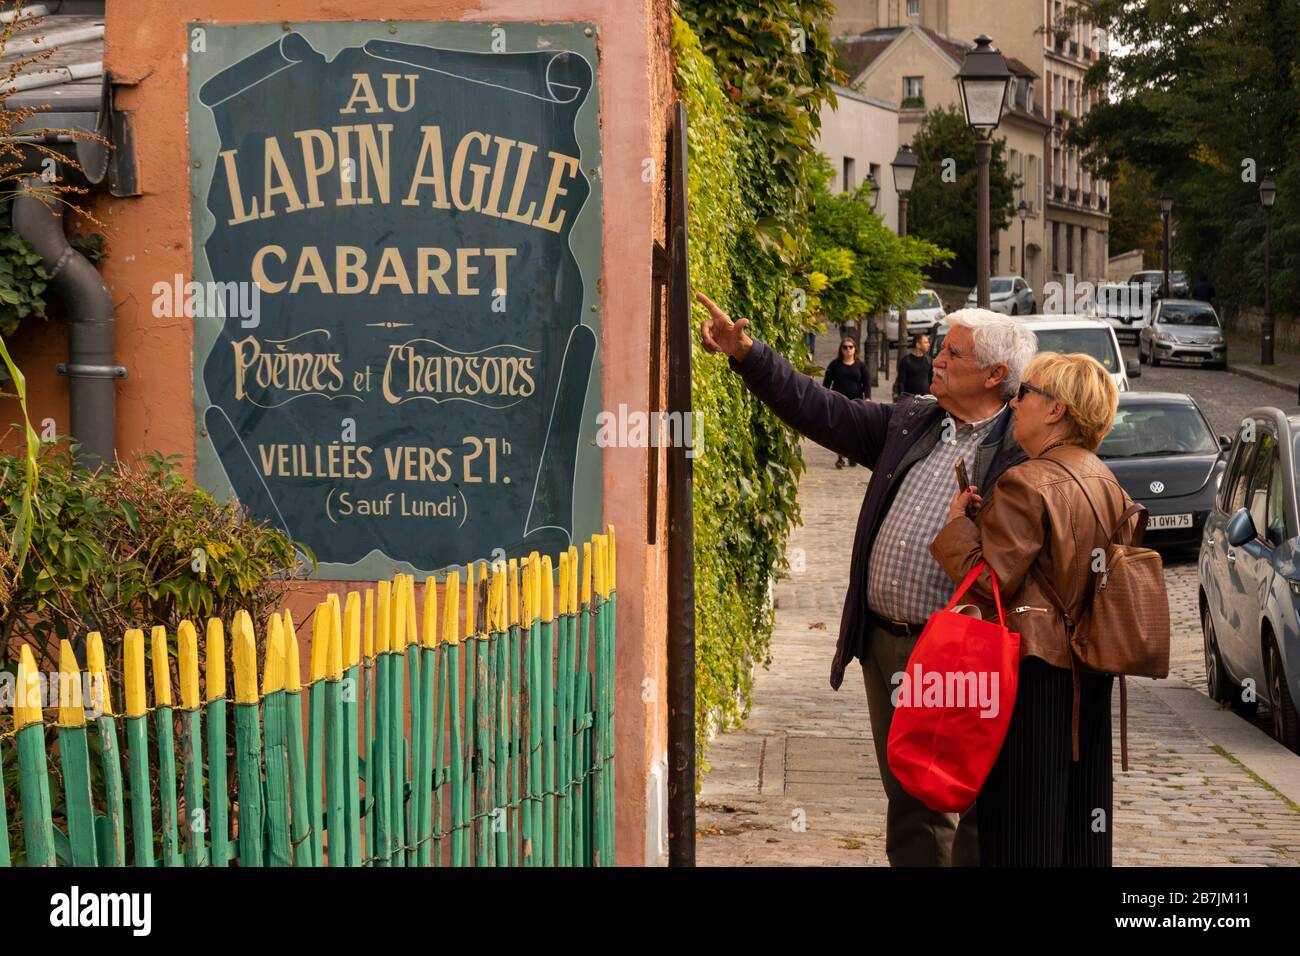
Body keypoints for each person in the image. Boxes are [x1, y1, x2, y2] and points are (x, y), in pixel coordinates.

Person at [696, 291, 1036, 867]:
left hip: (957, 650)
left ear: (995, 374)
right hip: (885, 644)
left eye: (953, 352)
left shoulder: (1020, 452)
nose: (938, 359)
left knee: (970, 798)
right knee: (908, 797)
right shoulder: (913, 421)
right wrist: (747, 353)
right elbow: (820, 409)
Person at [931, 351, 1138, 866]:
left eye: (1026, 392)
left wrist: (959, 524)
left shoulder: (1027, 480)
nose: (1014, 402)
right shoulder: (1104, 479)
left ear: (1056, 410)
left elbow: (989, 583)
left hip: (1032, 674)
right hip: (1088, 669)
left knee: (1021, 828)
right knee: (1076, 828)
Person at [822, 338, 870, 468]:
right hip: (839, 401)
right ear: (841, 349)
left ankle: (852, 455)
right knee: (841, 429)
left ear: (855, 349)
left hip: (856, 401)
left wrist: (868, 398)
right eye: (845, 347)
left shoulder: (860, 365)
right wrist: (827, 397)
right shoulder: (835, 365)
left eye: (850, 347)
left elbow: (866, 383)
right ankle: (840, 457)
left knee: (855, 429)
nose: (848, 349)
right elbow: (826, 383)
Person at [895, 333, 933, 399]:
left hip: (926, 399)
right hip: (911, 400)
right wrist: (902, 399)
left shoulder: (928, 360)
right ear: (918, 345)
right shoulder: (906, 361)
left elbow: (931, 380)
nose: (928, 345)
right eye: (925, 342)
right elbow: (901, 382)